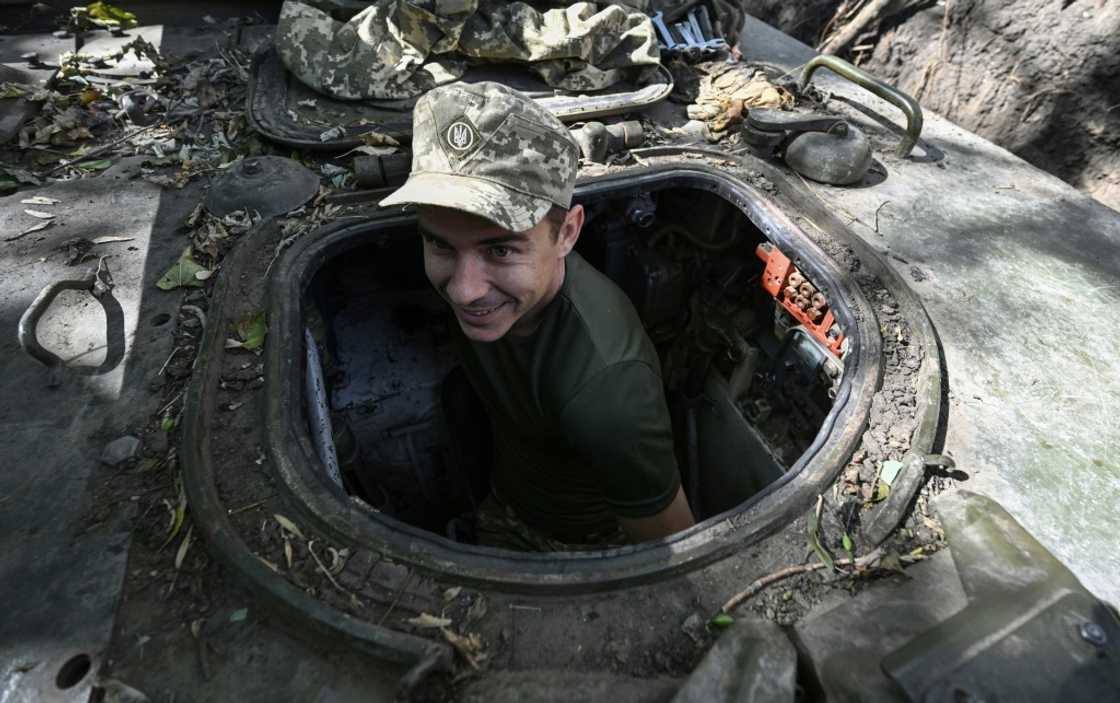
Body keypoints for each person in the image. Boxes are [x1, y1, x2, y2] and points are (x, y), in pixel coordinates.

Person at [380, 81, 694, 550]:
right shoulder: (500, 288)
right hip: (507, 486)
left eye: (501, 249)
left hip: (568, 540)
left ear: (567, 234)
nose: (464, 291)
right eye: (439, 244)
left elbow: (674, 553)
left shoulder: (608, 393)